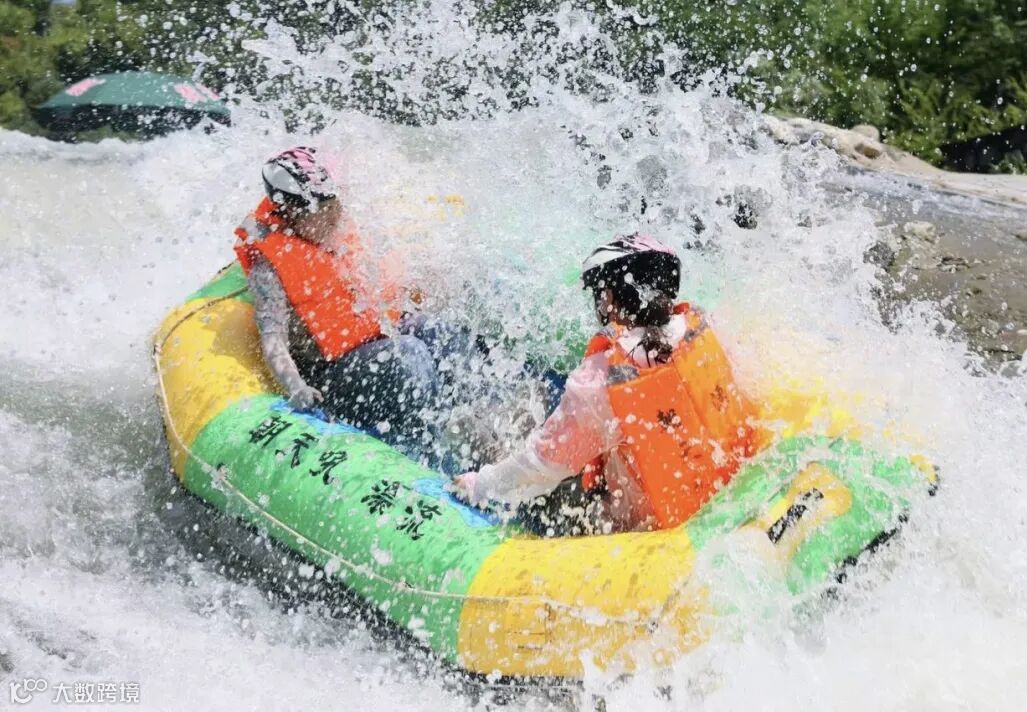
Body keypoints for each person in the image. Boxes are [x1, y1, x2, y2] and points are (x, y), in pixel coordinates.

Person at [450, 234, 765, 534]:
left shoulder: (603, 378)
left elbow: (541, 466)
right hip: (723, 493)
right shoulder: (707, 328)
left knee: (497, 428)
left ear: (610, 297)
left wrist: (480, 485)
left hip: (636, 525)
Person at [235, 146, 459, 451]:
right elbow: (272, 337)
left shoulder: (337, 230)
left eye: (334, 205)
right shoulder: (270, 267)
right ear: (289, 213)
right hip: (332, 375)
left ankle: (481, 412)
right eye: (319, 211)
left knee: (435, 329)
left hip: (374, 344)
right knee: (409, 354)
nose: (332, 217)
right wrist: (296, 387)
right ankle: (435, 445)